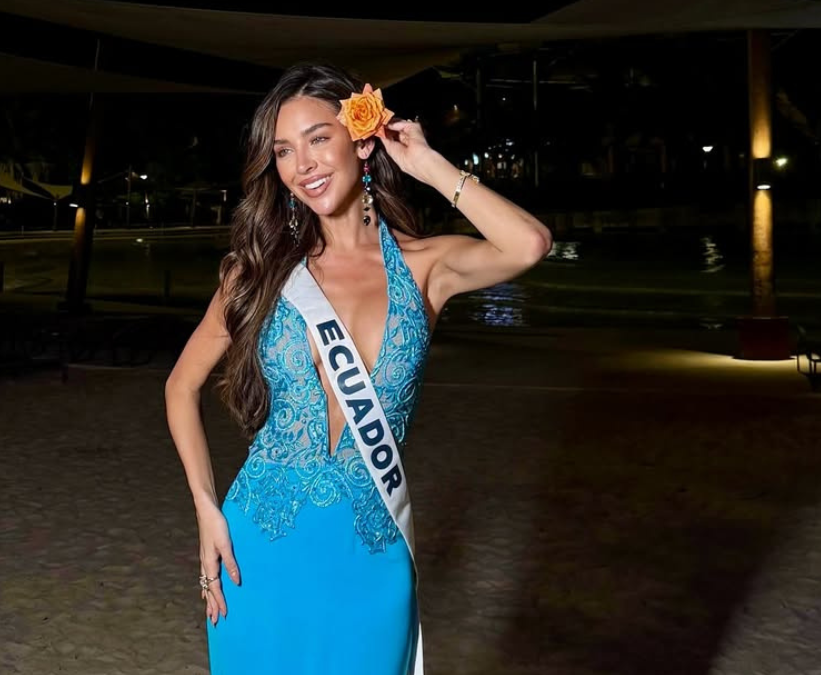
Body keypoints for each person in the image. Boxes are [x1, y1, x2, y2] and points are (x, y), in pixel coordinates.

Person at [164, 62, 552, 675]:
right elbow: (180, 386)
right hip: (260, 546)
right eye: (284, 152)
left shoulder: (428, 267)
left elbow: (529, 244)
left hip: (371, 551)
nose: (304, 165)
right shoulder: (258, 272)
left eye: (319, 138)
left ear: (359, 141)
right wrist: (205, 509)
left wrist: (426, 163)